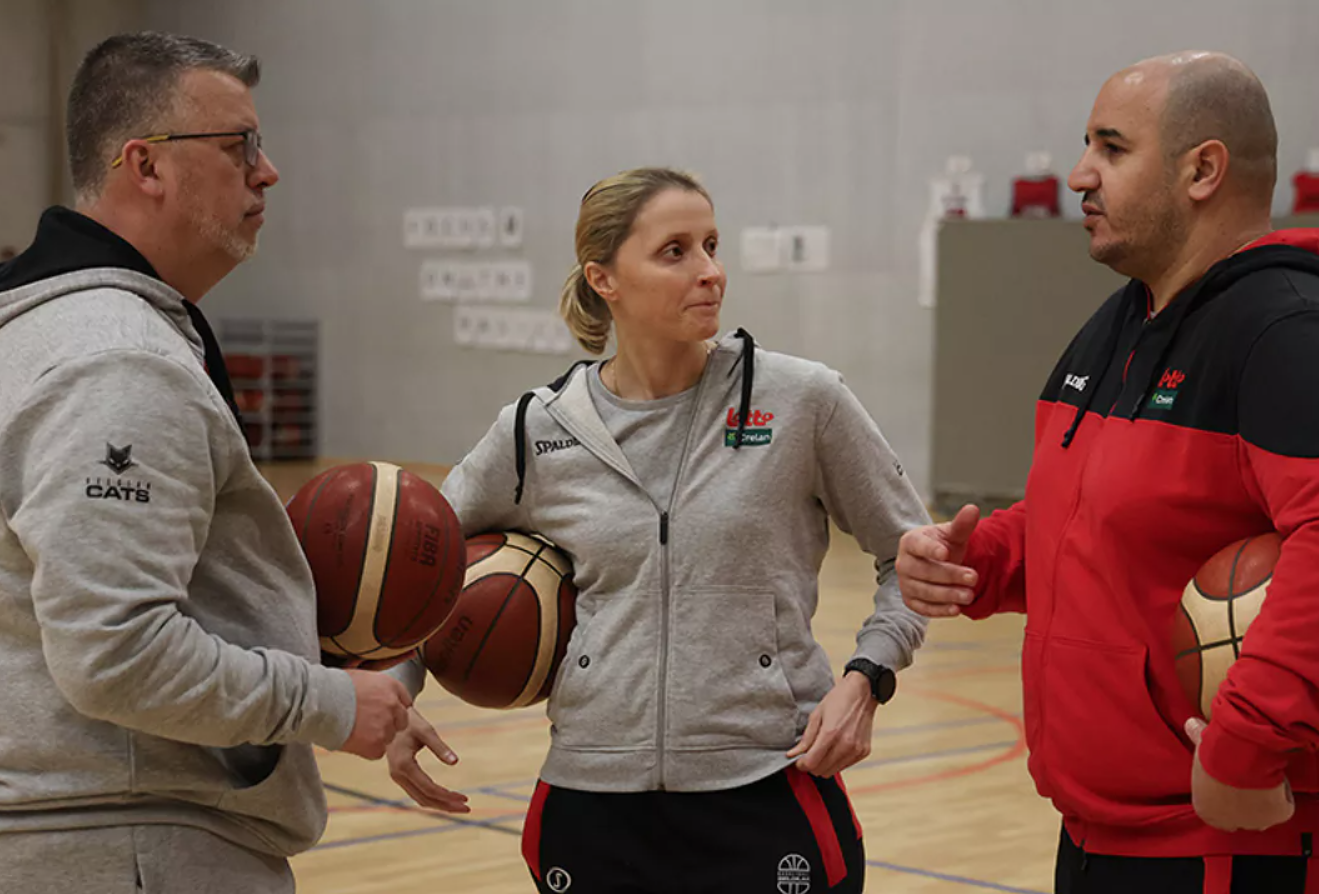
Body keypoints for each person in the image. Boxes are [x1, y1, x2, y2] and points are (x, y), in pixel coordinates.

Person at [896, 51, 1319, 894]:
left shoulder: (1291, 330)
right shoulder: (1123, 323)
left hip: (1258, 840)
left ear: (1202, 171)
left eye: (1111, 148)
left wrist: (1246, 749)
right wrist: (985, 560)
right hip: (1114, 833)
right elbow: (1097, 519)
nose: (1080, 175)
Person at [0, 32, 453, 894]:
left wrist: (314, 651)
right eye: (239, 145)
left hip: (118, 840)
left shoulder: (84, 334)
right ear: (146, 165)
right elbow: (117, 654)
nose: (268, 172)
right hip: (131, 850)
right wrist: (328, 706)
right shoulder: (116, 360)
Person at [385, 167, 930, 893]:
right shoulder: (536, 429)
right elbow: (417, 574)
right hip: (590, 801)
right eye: (675, 251)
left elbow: (914, 561)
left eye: (712, 245)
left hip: (770, 785)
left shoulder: (803, 402)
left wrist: (867, 679)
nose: (710, 272)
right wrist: (396, 694)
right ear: (603, 278)